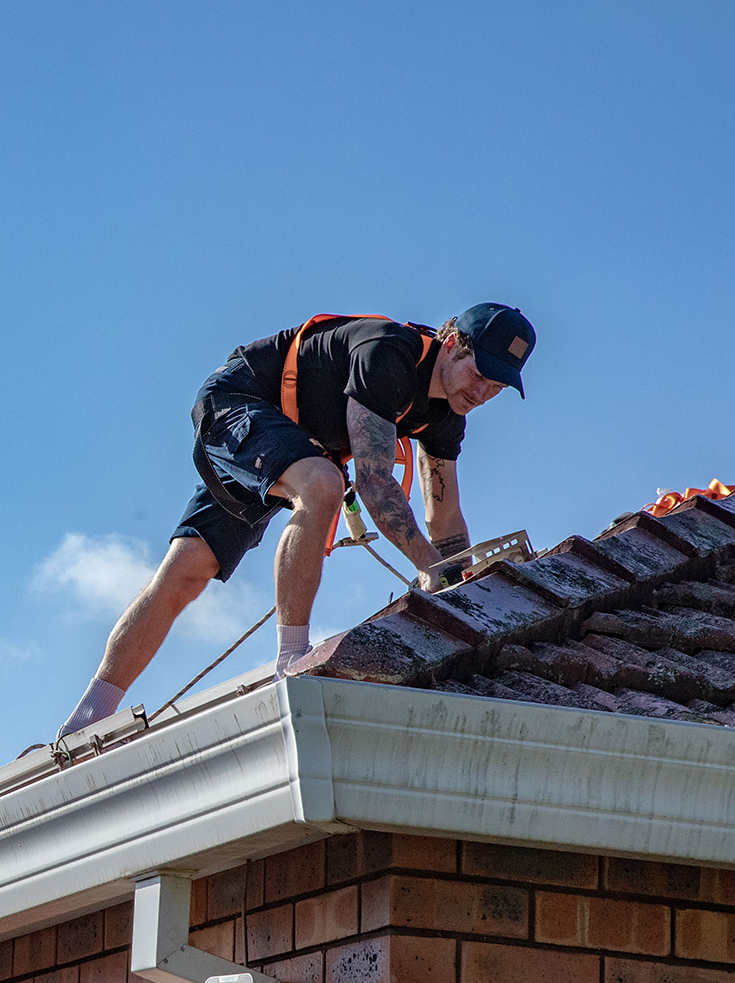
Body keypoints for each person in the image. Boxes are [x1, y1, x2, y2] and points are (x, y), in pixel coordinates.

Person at [58, 304, 535, 736]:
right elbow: (373, 482)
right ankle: (291, 659)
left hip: (293, 448)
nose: (483, 392)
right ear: (452, 344)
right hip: (237, 403)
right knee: (324, 483)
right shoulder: (388, 353)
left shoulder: (447, 416)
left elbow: (445, 513)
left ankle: (85, 718)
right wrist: (431, 567)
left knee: (186, 570)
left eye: (497, 385)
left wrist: (462, 586)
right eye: (480, 373)